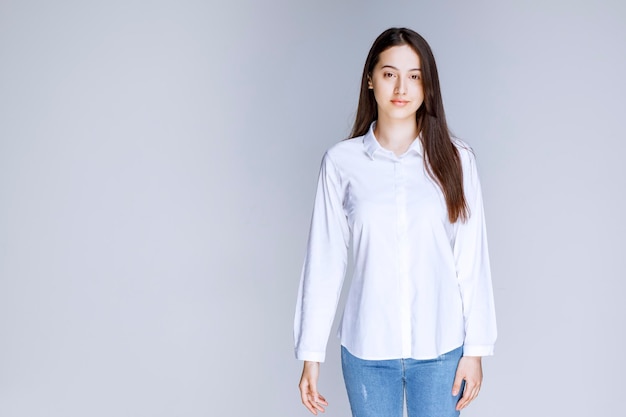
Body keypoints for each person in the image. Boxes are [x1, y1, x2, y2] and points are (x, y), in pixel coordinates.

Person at [293, 27, 497, 417]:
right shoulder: (341, 163)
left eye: (414, 76)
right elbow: (325, 261)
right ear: (370, 80)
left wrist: (476, 350)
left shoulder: (458, 160)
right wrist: (310, 353)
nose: (401, 87)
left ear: (427, 86)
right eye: (389, 74)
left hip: (441, 351)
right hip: (367, 350)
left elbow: (471, 260)